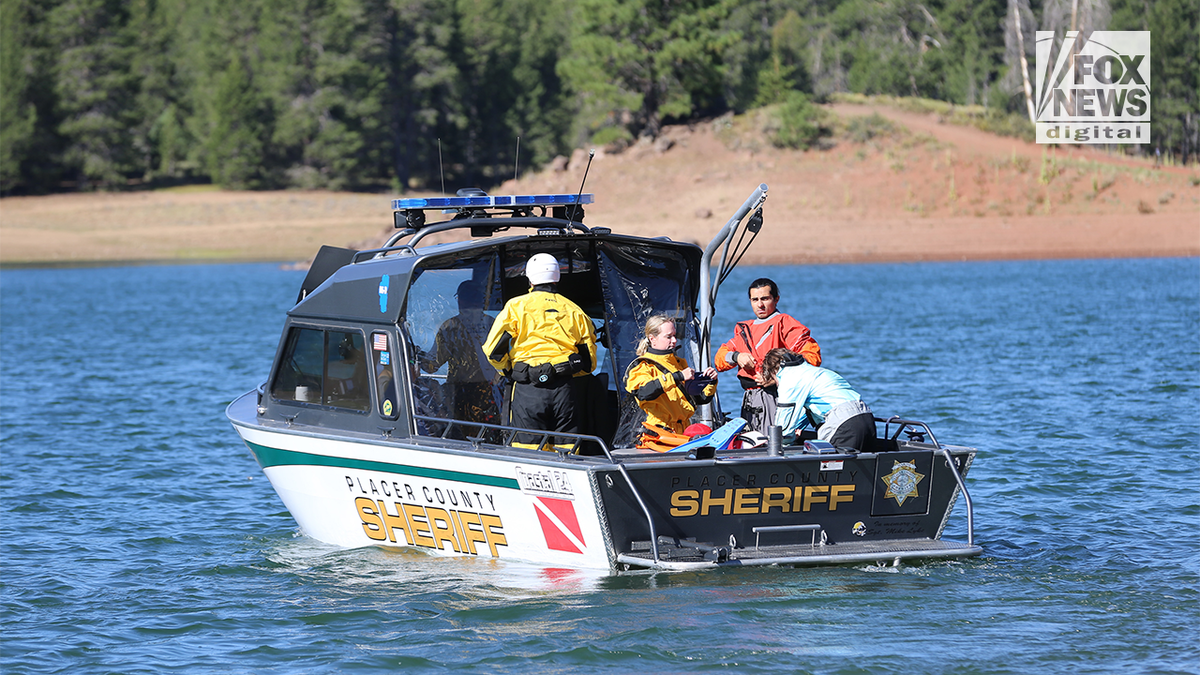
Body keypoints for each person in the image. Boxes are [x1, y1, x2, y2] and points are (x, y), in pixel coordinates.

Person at [482, 253, 597, 447]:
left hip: (528, 389)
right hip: (565, 391)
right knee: (566, 449)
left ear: (529, 278)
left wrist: (508, 370)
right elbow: (589, 363)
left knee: (527, 450)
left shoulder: (516, 306)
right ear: (557, 277)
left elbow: (494, 350)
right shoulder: (575, 310)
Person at [714, 278, 821, 435]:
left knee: (774, 444)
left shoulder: (784, 323)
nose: (760, 305)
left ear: (776, 299)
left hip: (776, 396)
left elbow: (812, 357)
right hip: (750, 399)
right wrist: (737, 357)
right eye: (755, 300)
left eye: (765, 299)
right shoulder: (745, 329)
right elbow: (719, 359)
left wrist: (777, 377)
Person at [624, 315, 717, 451]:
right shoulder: (643, 366)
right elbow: (643, 393)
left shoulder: (679, 363)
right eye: (668, 337)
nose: (674, 340)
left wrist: (710, 382)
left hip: (684, 432)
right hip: (659, 434)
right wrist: (677, 377)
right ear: (652, 339)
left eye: (675, 335)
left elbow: (699, 399)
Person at [760, 348, 874, 451]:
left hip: (844, 424)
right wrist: (796, 429)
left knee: (832, 469)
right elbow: (808, 411)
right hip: (867, 417)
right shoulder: (816, 372)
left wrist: (783, 441)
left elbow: (783, 426)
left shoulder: (788, 378)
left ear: (773, 372)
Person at [419, 280, 498, 425]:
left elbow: (432, 366)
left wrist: (416, 355)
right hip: (491, 392)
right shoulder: (492, 323)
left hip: (460, 394)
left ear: (460, 300)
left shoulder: (451, 327)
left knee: (462, 437)